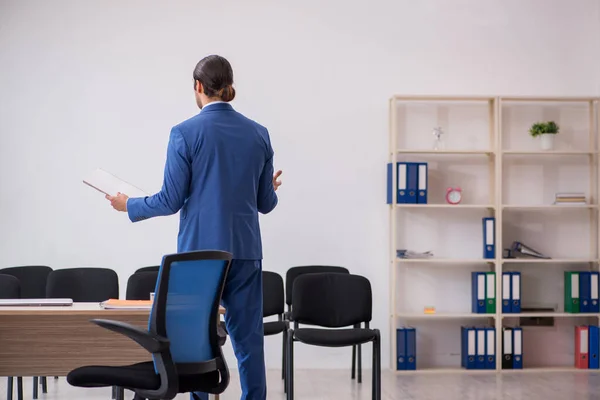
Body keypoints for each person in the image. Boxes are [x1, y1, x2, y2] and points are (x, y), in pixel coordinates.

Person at [106, 54, 281, 400]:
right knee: (249, 344)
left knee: (195, 344)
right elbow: (264, 204)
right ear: (230, 85)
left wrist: (130, 205)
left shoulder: (184, 133)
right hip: (245, 253)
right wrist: (271, 189)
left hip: (199, 257)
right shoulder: (259, 134)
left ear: (198, 87)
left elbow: (170, 200)